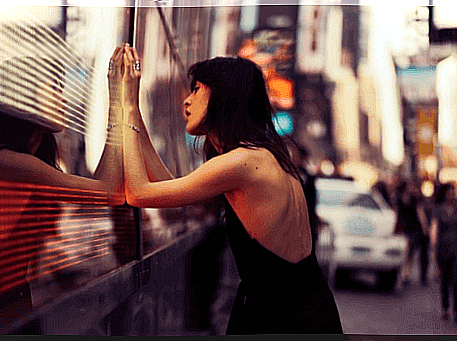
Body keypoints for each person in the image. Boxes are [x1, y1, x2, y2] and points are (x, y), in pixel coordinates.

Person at [117, 44, 343, 335]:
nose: (187, 101)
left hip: (281, 319)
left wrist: (126, 104)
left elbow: (138, 194)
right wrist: (132, 113)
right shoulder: (260, 156)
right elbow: (166, 191)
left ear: (224, 97)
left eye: (197, 89)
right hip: (301, 311)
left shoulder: (241, 162)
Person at [0, 50, 124, 333]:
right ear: (23, 95)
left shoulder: (32, 159)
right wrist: (118, 103)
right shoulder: (7, 161)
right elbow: (109, 193)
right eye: (55, 88)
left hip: (13, 301)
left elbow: (100, 191)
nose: (63, 98)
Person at [430, 182, 457, 325]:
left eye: (453, 191)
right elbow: (434, 230)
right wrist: (433, 248)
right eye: (449, 191)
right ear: (444, 193)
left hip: (456, 248)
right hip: (442, 248)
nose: (451, 194)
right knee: (444, 279)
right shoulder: (438, 210)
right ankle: (445, 307)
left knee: (456, 280)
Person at [395, 181, 429, 287]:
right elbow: (396, 213)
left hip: (413, 228)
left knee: (411, 253)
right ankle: (405, 274)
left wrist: (424, 227)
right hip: (404, 228)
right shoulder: (399, 199)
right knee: (407, 253)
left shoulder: (414, 199)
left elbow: (420, 213)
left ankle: (407, 274)